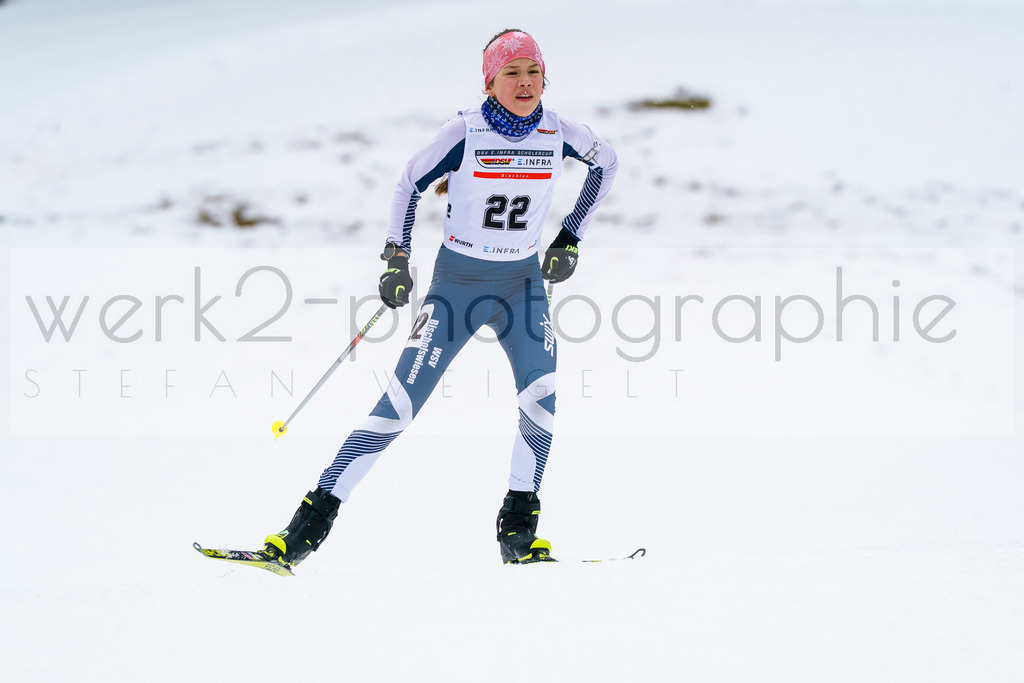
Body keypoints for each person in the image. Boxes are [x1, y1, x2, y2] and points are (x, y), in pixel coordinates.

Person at [264, 28, 618, 565]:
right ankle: (303, 530)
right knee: (399, 406)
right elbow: (408, 184)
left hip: (521, 286)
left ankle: (519, 530)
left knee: (541, 395)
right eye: (511, 73)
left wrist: (570, 237)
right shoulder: (465, 132)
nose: (525, 83)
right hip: (458, 284)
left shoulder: (560, 130)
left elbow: (607, 163)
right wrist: (396, 259)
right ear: (490, 81)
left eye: (533, 72)